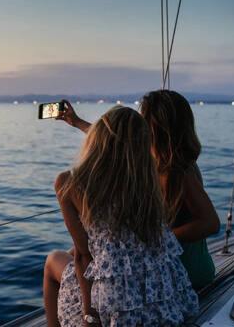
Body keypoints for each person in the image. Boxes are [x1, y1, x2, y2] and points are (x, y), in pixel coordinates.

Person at [43, 106, 198, 326]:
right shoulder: (147, 179)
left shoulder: (69, 183)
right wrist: (78, 122)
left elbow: (83, 257)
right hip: (163, 306)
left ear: (97, 138)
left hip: (116, 307)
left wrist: (90, 316)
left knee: (53, 261)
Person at [56, 91, 220, 289]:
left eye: (143, 116)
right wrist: (77, 122)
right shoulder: (160, 162)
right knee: (76, 252)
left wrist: (152, 241)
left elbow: (210, 223)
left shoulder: (173, 170)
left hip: (179, 273)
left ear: (154, 126)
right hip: (181, 268)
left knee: (68, 257)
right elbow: (113, 142)